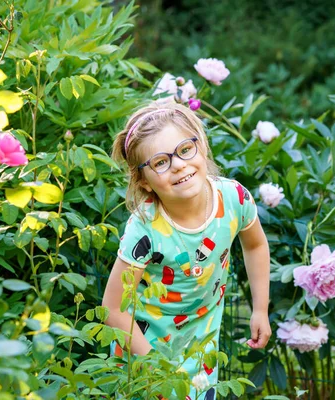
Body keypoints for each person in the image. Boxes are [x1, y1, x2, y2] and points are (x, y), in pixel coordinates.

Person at [102, 102, 271, 399]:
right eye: (160, 162)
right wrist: (155, 367)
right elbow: (113, 310)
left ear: (200, 146)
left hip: (201, 349)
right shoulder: (145, 228)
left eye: (184, 150)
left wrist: (260, 309)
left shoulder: (234, 199)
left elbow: (255, 244)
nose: (178, 164)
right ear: (144, 181)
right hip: (144, 354)